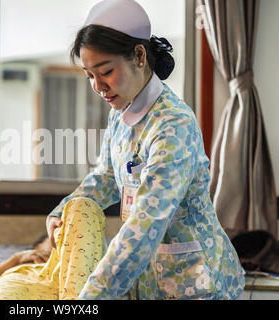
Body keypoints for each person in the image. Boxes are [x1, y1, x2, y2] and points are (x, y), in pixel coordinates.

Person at [46, 0, 245, 300]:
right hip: (153, 280)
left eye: (106, 71)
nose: (98, 86)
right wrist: (66, 209)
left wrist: (89, 299)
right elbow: (108, 177)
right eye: (89, 75)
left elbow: (146, 223)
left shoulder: (172, 125)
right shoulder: (120, 113)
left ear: (139, 56)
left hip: (197, 281)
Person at [0, 197, 107, 300]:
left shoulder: (87, 264)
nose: (63, 237)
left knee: (82, 205)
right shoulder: (19, 269)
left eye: (65, 234)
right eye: (59, 234)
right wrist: (17, 259)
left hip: (76, 287)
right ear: (37, 247)